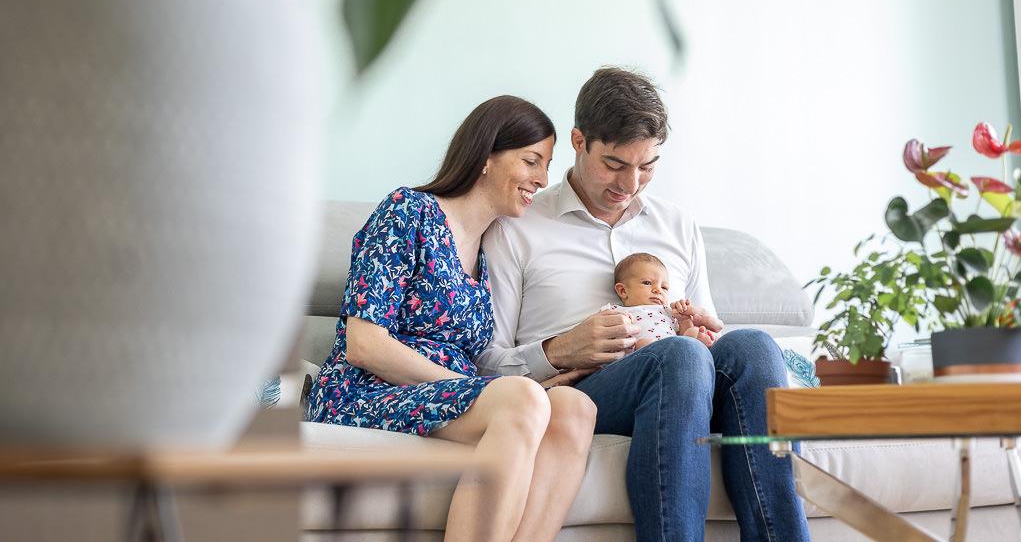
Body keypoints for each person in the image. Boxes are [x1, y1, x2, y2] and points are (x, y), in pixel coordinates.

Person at [478, 68, 810, 541]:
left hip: (685, 378)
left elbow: (705, 338)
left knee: (753, 346)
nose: (630, 183)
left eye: (647, 166)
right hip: (584, 391)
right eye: (614, 164)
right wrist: (560, 348)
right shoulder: (518, 226)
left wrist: (704, 331)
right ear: (578, 140)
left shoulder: (677, 224)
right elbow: (487, 364)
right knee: (680, 357)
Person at [306, 95, 597, 542]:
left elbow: (484, 362)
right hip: (368, 390)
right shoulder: (408, 212)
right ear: (485, 156)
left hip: (451, 396)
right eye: (531, 161)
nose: (542, 179)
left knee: (575, 409)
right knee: (522, 401)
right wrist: (476, 389)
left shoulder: (492, 249)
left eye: (546, 165)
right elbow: (364, 344)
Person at [602, 252, 721, 349]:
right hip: (639, 359)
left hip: (676, 352)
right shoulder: (616, 311)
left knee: (692, 333)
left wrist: (684, 319)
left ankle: (703, 343)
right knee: (643, 344)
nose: (658, 290)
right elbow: (599, 332)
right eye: (647, 283)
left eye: (664, 287)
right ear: (623, 291)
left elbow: (682, 336)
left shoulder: (668, 311)